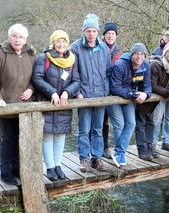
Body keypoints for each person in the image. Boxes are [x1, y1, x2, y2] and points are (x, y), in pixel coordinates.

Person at [0, 23, 36, 185]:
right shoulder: (0, 54)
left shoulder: (31, 54)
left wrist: (31, 89)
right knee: (8, 139)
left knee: (23, 138)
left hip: (26, 106)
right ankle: (5, 172)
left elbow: (37, 78)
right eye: (14, 36)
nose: (17, 39)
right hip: (6, 106)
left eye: (21, 36)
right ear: (9, 37)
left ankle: (17, 170)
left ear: (26, 39)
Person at [32, 30, 80, 181]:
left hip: (63, 104)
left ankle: (58, 166)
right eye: (58, 41)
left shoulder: (72, 59)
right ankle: (50, 168)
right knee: (47, 136)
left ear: (67, 43)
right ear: (53, 43)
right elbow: (37, 78)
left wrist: (67, 92)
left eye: (64, 41)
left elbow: (77, 81)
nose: (61, 44)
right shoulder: (43, 58)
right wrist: (52, 92)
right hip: (47, 102)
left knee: (60, 136)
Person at [70, 14, 112, 172]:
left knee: (98, 129)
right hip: (84, 96)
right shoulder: (75, 48)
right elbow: (73, 73)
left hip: (100, 96)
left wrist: (106, 91)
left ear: (97, 31)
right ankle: (84, 159)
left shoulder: (104, 49)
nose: (91, 34)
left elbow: (108, 72)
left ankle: (97, 158)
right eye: (88, 31)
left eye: (94, 31)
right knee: (83, 129)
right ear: (84, 31)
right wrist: (77, 93)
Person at [109, 43, 150, 167]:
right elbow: (114, 87)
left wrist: (145, 95)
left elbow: (148, 86)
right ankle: (119, 153)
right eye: (136, 54)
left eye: (142, 54)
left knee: (131, 123)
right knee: (119, 124)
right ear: (131, 55)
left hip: (128, 98)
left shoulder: (145, 66)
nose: (139, 57)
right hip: (113, 98)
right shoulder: (120, 65)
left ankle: (119, 153)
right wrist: (133, 94)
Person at [102, 22, 122, 159]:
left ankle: (107, 148)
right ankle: (99, 149)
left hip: (114, 92)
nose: (110, 36)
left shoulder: (118, 52)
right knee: (99, 122)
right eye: (108, 33)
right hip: (99, 91)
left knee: (109, 121)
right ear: (103, 35)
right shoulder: (99, 48)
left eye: (113, 33)